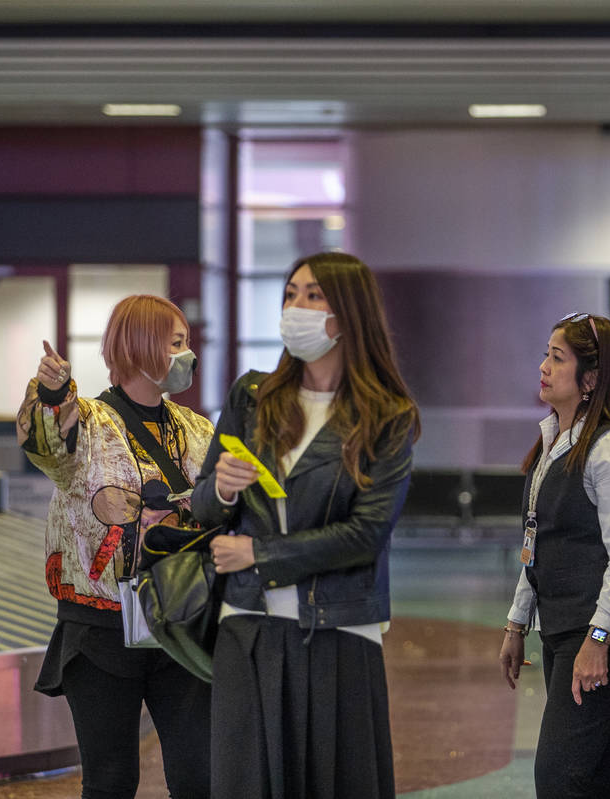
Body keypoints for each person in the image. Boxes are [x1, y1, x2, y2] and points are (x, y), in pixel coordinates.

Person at [191, 251, 419, 798]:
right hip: (247, 626)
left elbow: (366, 535)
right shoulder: (253, 397)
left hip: (339, 631)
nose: (296, 307)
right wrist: (221, 487)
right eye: (291, 294)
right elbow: (202, 509)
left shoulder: (388, 417)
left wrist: (259, 554)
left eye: (313, 295)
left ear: (349, 312)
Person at [16, 295, 213, 799]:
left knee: (201, 778)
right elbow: (46, 444)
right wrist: (52, 391)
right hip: (100, 628)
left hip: (182, 618)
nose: (187, 354)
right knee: (110, 781)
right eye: (176, 343)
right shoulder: (88, 421)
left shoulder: (197, 428)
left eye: (186, 342)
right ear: (141, 347)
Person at [499, 312, 610, 798]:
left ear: (590, 379)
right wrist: (516, 624)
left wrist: (600, 637)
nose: (543, 367)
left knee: (558, 775)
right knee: (594, 776)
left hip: (608, 634)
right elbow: (539, 541)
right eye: (546, 354)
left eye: (557, 358)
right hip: (564, 629)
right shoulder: (555, 440)